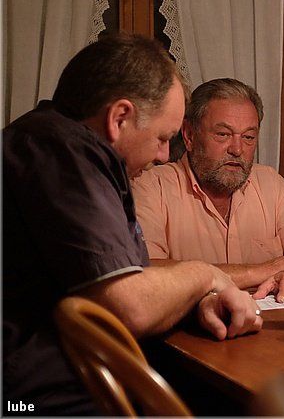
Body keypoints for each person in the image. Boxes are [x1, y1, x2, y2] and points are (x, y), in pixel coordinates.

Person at [3, 33, 263, 415]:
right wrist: (207, 275)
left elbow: (130, 280)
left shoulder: (63, 146)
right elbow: (129, 307)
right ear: (119, 118)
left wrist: (198, 302)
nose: (163, 155)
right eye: (162, 137)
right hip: (45, 402)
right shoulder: (59, 151)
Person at [132, 78, 284, 301]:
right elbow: (146, 274)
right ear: (189, 135)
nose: (237, 149)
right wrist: (264, 270)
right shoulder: (152, 188)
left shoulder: (271, 184)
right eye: (223, 135)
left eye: (249, 137)